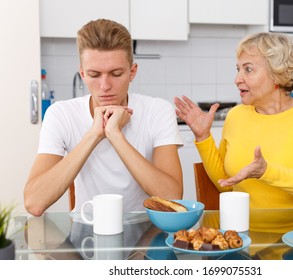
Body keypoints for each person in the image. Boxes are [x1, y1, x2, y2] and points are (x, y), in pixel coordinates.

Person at [174, 32, 293, 232]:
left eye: (248, 69)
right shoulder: (236, 116)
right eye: (238, 69)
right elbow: (227, 186)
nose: (237, 79)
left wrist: (267, 172)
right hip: (241, 233)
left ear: (277, 74)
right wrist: (203, 137)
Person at [24, 19, 183, 216]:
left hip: (147, 234)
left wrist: (115, 135)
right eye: (94, 74)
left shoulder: (158, 111)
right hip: (87, 233)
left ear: (132, 72)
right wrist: (94, 135)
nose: (105, 86)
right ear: (82, 73)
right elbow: (34, 203)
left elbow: (172, 196)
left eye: (116, 74)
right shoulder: (61, 114)